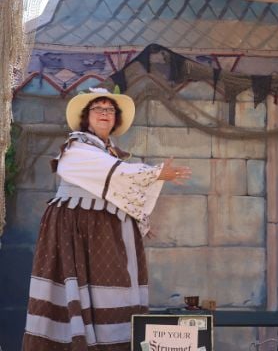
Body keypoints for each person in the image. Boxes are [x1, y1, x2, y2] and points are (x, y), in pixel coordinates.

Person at [22, 87, 192, 350]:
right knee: (78, 294)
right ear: (86, 117)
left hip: (105, 231)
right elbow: (115, 175)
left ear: (116, 119)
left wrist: (140, 218)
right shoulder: (76, 148)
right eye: (98, 108)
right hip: (77, 230)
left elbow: (123, 189)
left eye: (110, 110)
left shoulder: (110, 154)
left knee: (113, 290)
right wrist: (157, 173)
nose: (105, 113)